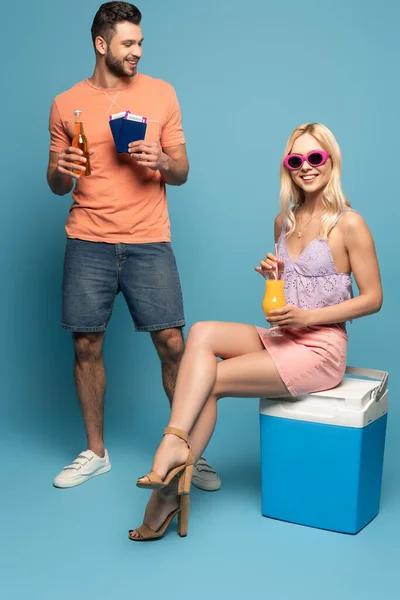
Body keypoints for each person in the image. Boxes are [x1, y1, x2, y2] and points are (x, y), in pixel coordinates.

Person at [128, 122, 383, 541]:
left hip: (320, 347)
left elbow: (373, 299)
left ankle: (168, 485)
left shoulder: (349, 223)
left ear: (331, 162)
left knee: (210, 382)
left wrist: (306, 318)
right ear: (288, 166)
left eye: (315, 157)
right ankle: (175, 453)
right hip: (284, 335)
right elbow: (286, 299)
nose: (306, 167)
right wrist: (275, 277)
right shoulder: (284, 220)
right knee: (204, 332)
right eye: (296, 159)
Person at [47, 2, 220, 491]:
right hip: (88, 240)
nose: (138, 51)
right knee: (86, 345)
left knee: (172, 346)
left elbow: (182, 172)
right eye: (128, 43)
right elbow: (55, 184)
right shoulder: (66, 104)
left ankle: (189, 453)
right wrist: (64, 170)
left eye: (140, 43)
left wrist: (162, 158)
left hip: (149, 241)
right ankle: (95, 452)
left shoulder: (161, 94)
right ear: (102, 44)